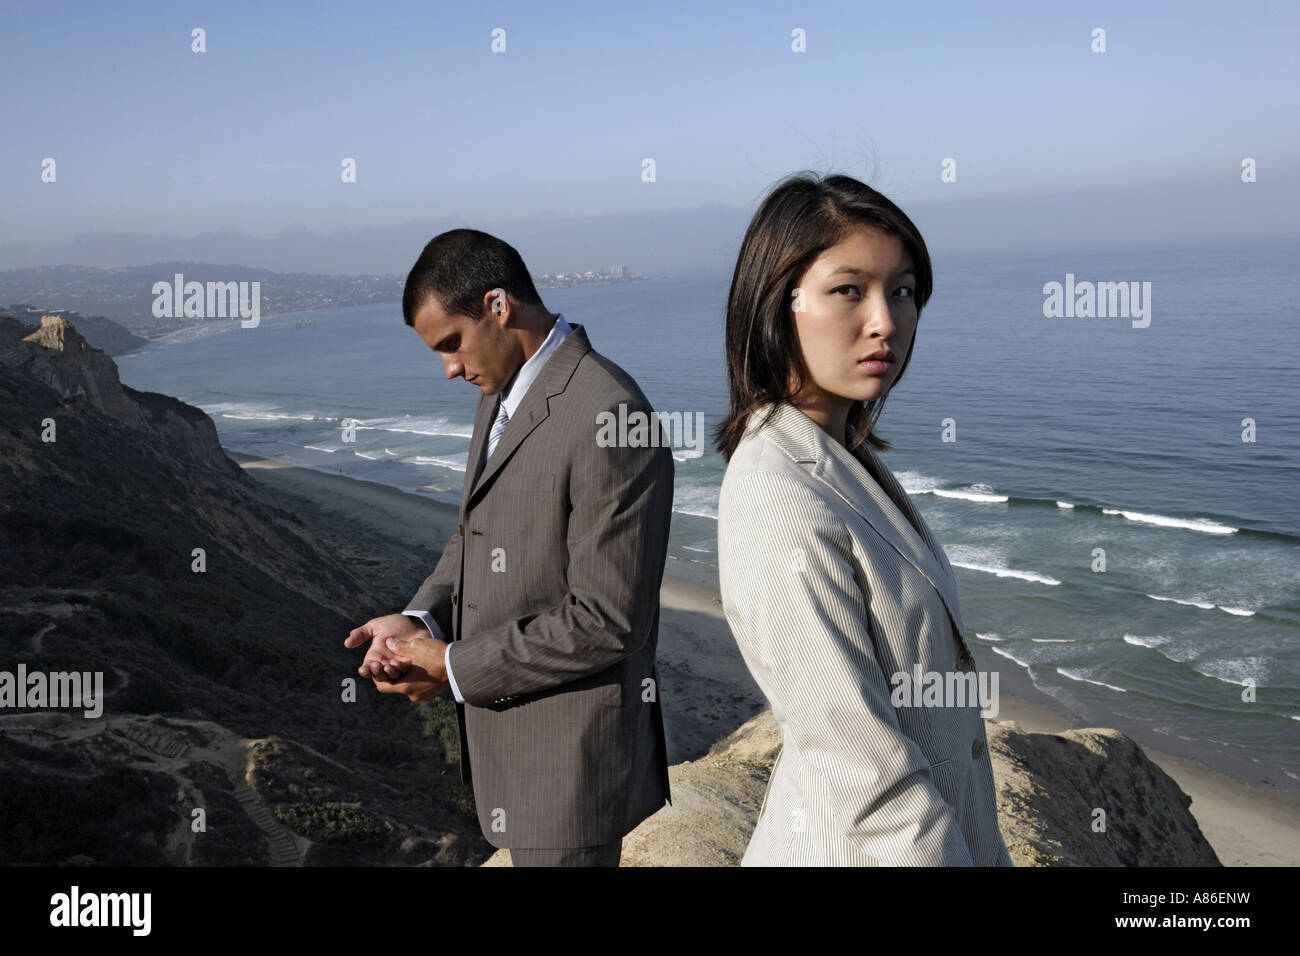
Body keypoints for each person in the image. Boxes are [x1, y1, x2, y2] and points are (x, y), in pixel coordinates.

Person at [345, 229, 673, 866]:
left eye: (450, 344)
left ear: (498, 306)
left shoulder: (611, 414)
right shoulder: (499, 391)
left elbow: (609, 620)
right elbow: (477, 533)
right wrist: (420, 620)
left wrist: (454, 667)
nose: (448, 369)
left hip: (570, 770)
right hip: (513, 757)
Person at [714, 172, 1013, 866]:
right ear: (776, 304)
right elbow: (864, 776)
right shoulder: (777, 495)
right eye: (849, 290)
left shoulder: (837, 455)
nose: (885, 320)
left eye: (902, 291)